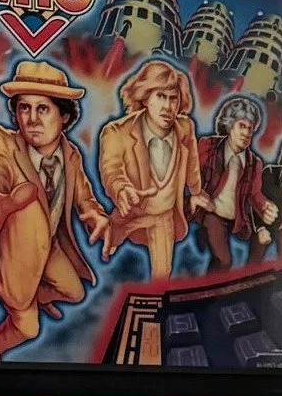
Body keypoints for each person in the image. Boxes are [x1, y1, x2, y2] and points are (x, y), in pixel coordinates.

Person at [0, 59, 103, 359]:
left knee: (74, 292)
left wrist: (94, 215)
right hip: (12, 259)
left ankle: (34, 295)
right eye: (24, 108)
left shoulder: (70, 154)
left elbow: (84, 199)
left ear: (64, 116)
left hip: (49, 247)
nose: (32, 119)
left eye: (43, 109)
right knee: (28, 329)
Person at [96, 59, 204, 282]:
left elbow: (192, 161)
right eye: (160, 97)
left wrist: (195, 190)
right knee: (105, 248)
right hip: (131, 212)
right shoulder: (117, 132)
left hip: (164, 214)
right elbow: (111, 169)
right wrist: (121, 189)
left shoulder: (185, 128)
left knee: (161, 278)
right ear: (145, 97)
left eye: (173, 99)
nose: (168, 107)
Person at [196, 92, 268, 268]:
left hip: (237, 219)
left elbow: (254, 195)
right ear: (229, 126)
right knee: (224, 261)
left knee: (262, 239)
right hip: (212, 215)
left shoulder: (254, 163)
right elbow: (189, 175)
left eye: (250, 129)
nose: (246, 133)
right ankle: (211, 294)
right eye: (242, 126)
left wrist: (265, 206)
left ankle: (249, 278)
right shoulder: (208, 146)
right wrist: (196, 196)